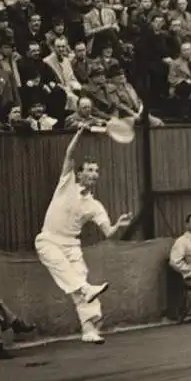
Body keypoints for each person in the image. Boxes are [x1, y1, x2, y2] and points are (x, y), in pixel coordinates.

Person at [35, 126, 133, 343]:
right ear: (79, 173)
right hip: (48, 240)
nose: (93, 174)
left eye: (96, 171)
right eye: (89, 170)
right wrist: (79, 132)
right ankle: (84, 288)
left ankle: (89, 330)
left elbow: (108, 232)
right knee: (77, 281)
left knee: (84, 289)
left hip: (72, 246)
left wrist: (118, 224)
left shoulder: (95, 206)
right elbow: (69, 154)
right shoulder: (66, 183)